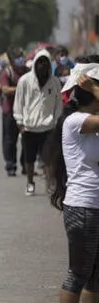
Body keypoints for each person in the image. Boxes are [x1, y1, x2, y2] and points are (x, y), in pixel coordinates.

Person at [46, 71, 99, 303]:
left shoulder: (92, 127)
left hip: (93, 205)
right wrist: (94, 88)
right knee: (78, 273)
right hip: (84, 206)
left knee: (95, 276)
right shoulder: (76, 121)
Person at [13, 49, 62, 196]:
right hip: (29, 128)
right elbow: (19, 102)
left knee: (49, 159)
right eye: (39, 62)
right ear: (35, 64)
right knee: (29, 159)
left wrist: (55, 122)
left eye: (45, 63)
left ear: (49, 65)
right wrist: (20, 123)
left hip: (48, 128)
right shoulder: (25, 81)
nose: (42, 66)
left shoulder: (55, 83)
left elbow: (58, 104)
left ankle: (50, 184)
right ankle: (30, 183)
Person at [0, 53, 29, 177]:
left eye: (22, 56)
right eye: (17, 57)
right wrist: (22, 88)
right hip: (10, 111)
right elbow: (5, 90)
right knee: (10, 140)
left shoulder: (28, 72)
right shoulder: (7, 73)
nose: (21, 60)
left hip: (26, 111)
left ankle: (26, 165)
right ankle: (10, 165)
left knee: (27, 139)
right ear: (11, 61)